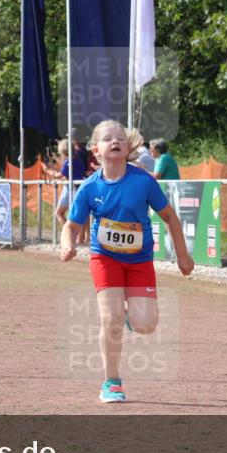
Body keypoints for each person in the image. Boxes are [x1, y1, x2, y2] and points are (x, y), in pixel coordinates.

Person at [60, 120, 193, 403]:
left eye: (120, 138)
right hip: (104, 258)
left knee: (146, 325)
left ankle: (133, 316)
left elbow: (169, 217)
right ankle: (112, 382)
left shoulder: (143, 181)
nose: (115, 141)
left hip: (140, 260)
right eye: (108, 139)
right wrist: (67, 244)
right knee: (110, 319)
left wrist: (183, 255)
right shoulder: (88, 188)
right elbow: (71, 226)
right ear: (96, 150)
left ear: (128, 146)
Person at [42, 139, 86, 241]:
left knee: (59, 213)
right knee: (77, 216)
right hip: (76, 188)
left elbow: (60, 175)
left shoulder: (69, 162)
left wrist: (48, 171)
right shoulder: (77, 160)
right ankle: (77, 236)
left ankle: (70, 232)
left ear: (64, 151)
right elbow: (66, 173)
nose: (60, 154)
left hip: (71, 189)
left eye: (60, 152)